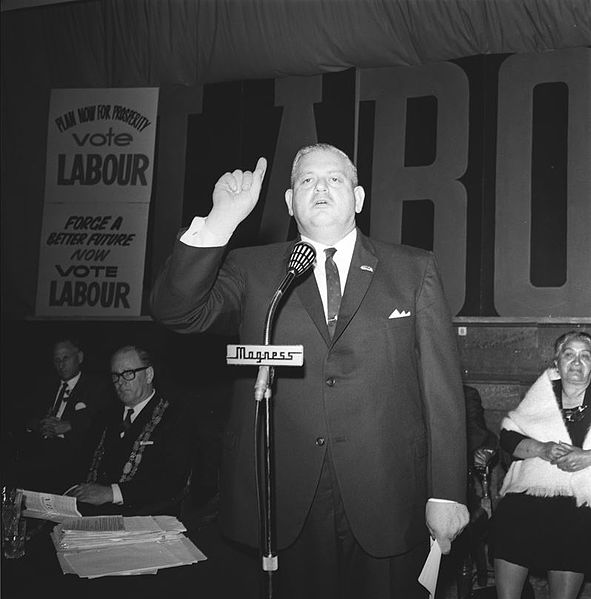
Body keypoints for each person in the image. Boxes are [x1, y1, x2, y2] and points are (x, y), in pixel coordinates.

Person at [150, 143, 469, 598]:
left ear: (357, 199)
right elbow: (175, 311)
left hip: (388, 493)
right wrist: (222, 219)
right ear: (289, 202)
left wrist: (447, 492)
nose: (320, 187)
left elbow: (443, 393)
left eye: (335, 179)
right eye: (307, 180)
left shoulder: (413, 269)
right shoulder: (251, 268)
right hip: (281, 499)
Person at [492, 330, 591, 599]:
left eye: (585, 356)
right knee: (510, 516)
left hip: (583, 494)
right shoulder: (542, 393)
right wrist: (542, 448)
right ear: (556, 362)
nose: (576, 362)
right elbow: (509, 435)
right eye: (569, 355)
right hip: (534, 486)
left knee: (575, 523)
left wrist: (587, 457)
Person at [71, 345, 193, 516]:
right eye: (115, 376)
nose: (120, 382)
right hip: (91, 513)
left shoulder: (174, 417)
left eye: (128, 373)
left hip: (144, 515)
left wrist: (111, 493)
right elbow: (82, 462)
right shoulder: (105, 416)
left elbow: (171, 481)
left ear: (149, 374)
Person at [8, 336, 113, 493]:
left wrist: (69, 426)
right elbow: (25, 415)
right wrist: (40, 425)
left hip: (74, 457)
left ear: (80, 357)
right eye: (56, 359)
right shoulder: (44, 385)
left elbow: (102, 418)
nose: (61, 364)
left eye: (65, 358)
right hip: (38, 452)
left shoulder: (97, 386)